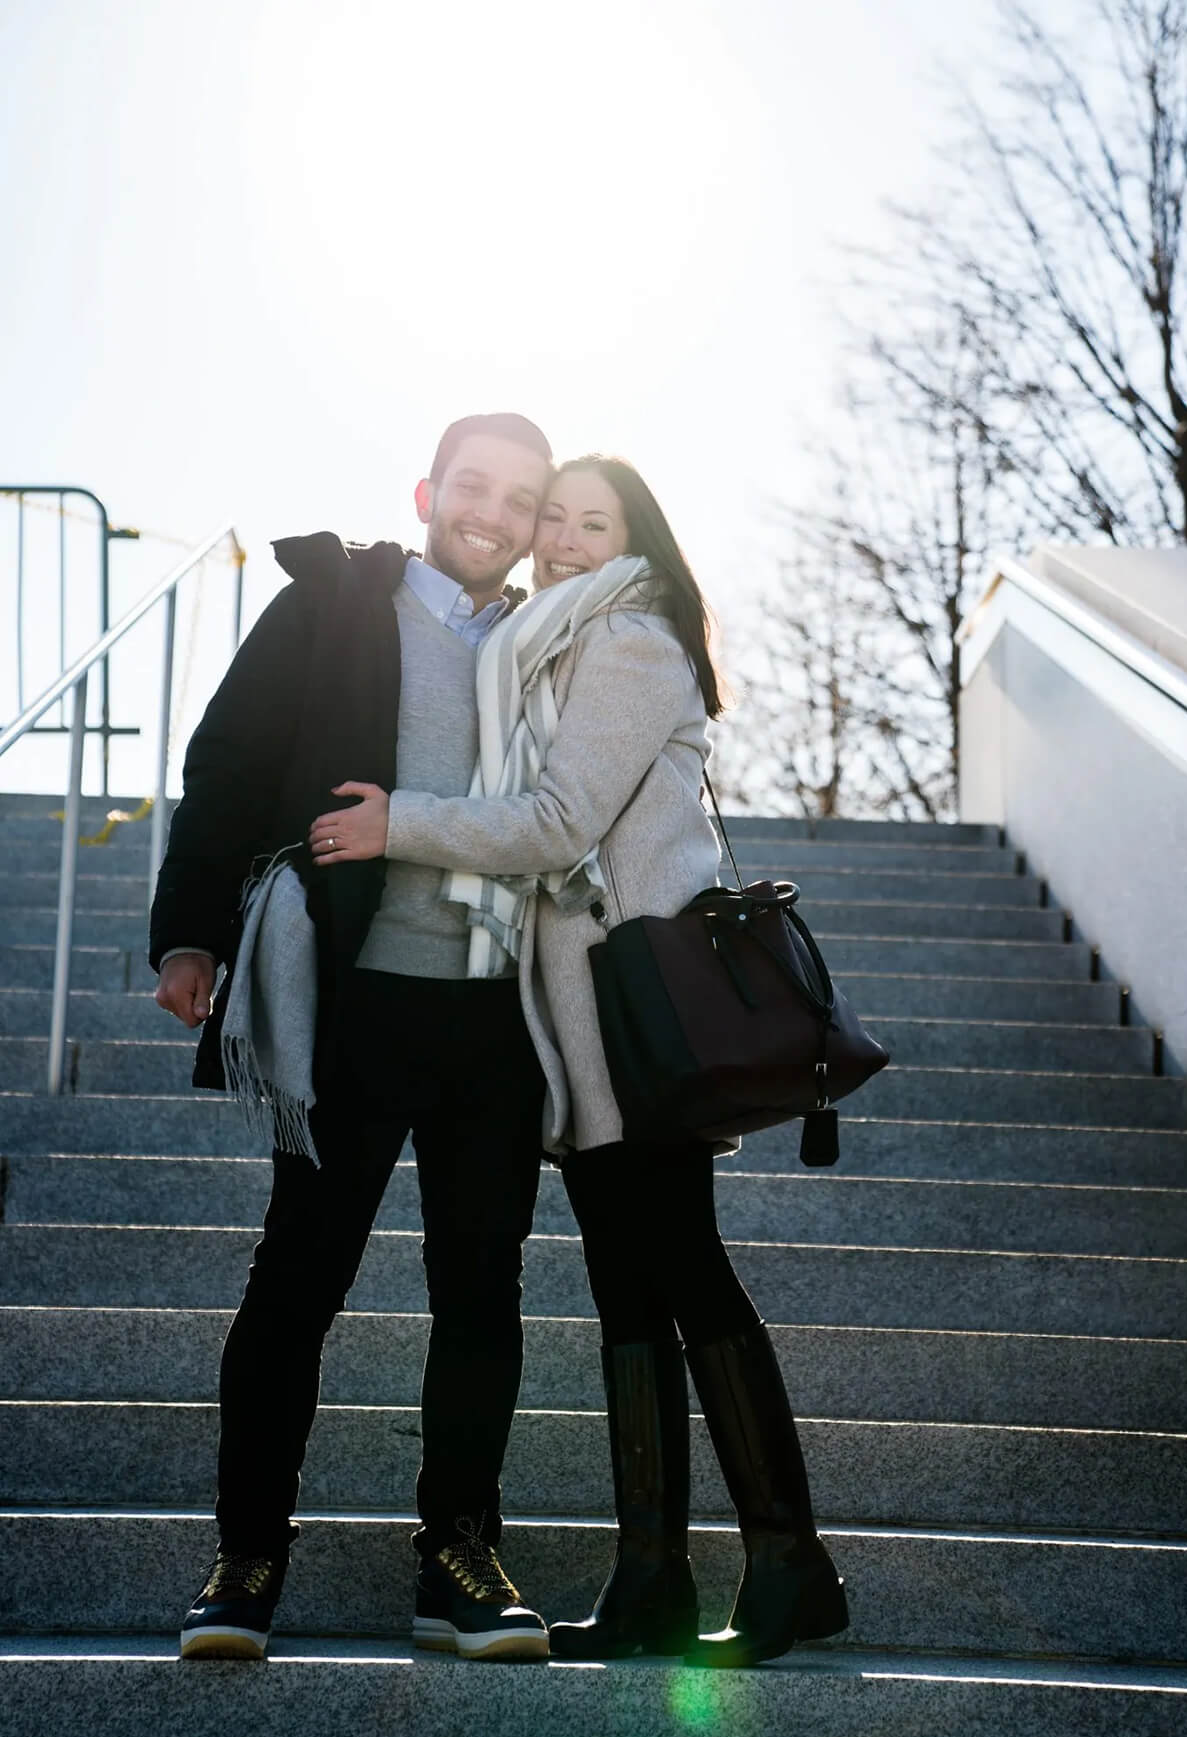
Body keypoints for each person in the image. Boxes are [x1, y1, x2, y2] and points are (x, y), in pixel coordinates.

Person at [306, 453, 849, 1668]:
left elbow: (557, 822)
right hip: (583, 1036)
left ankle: (790, 1559)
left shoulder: (632, 641)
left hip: (640, 1021)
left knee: (690, 1273)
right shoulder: (551, 646)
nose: (557, 538)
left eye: (588, 523)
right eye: (553, 517)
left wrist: (404, 820)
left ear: (633, 539)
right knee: (624, 1290)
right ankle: (651, 1571)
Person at [151, 413, 559, 1663]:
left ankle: (456, 1553)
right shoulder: (337, 601)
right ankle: (248, 1552)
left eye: (520, 499)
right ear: (430, 489)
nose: (490, 513)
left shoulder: (556, 642)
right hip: (356, 997)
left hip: (499, 1010)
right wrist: (190, 930)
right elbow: (227, 760)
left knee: (482, 1290)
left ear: (541, 522)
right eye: (473, 485)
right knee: (298, 1278)